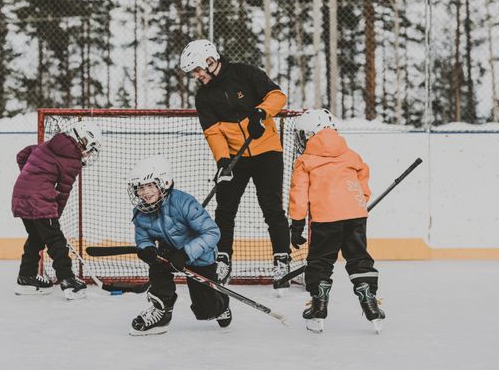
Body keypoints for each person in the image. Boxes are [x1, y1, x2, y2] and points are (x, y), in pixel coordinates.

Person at [180, 39, 291, 289]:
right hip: (234, 158)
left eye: (197, 70)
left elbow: (277, 95)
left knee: (272, 207)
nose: (196, 76)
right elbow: (213, 132)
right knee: (225, 209)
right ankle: (223, 258)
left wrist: (261, 113)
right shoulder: (204, 97)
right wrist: (222, 162)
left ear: (209, 61)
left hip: (267, 151)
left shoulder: (244, 73)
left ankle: (282, 260)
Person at [288, 109, 384, 333]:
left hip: (326, 219)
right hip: (356, 216)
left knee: (320, 262)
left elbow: (299, 194)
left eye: (303, 135)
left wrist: (297, 224)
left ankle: (318, 307)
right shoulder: (351, 154)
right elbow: (363, 182)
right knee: (359, 259)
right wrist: (358, 203)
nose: (301, 139)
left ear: (312, 133)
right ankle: (370, 302)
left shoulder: (305, 161)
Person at [128, 155, 231, 336]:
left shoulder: (184, 202)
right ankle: (161, 310)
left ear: (164, 182)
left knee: (206, 311)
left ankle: (220, 302)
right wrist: (146, 249)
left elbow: (212, 233)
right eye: (141, 188)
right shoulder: (141, 213)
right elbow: (143, 238)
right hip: (169, 253)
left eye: (150, 185)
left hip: (199, 257)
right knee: (157, 265)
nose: (145, 192)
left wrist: (185, 254)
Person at [11, 120, 102, 300]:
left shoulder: (48, 144)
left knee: (36, 238)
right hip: (40, 200)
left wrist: (31, 177)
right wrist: (55, 214)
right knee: (55, 240)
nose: (88, 154)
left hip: (20, 196)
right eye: (89, 149)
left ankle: (26, 277)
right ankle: (68, 281)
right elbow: (63, 191)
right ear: (83, 141)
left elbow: (22, 155)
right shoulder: (72, 161)